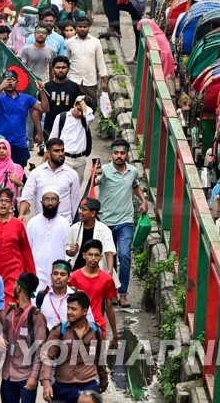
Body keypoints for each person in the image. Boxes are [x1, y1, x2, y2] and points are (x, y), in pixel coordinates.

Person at [95, 141, 147, 307]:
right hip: (106, 222)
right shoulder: (104, 171)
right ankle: (111, 292)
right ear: (111, 154)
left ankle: (122, 293)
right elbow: (95, 181)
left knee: (124, 255)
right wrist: (93, 176)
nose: (119, 156)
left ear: (127, 154)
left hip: (126, 222)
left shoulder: (132, 172)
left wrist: (144, 201)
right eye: (116, 153)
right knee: (109, 258)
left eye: (122, 153)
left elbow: (135, 186)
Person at [40, 291, 108, 403]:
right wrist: (46, 383)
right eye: (68, 308)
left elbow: (101, 358)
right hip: (63, 388)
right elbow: (48, 358)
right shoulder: (59, 331)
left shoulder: (96, 332)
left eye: (73, 309)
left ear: (85, 311)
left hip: (88, 386)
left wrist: (104, 381)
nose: (69, 312)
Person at [1, 272, 47, 403]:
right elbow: (4, 333)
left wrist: (34, 376)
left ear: (19, 287)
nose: (14, 286)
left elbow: (40, 349)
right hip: (7, 375)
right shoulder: (10, 311)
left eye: (15, 283)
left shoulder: (36, 316)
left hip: (26, 376)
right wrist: (1, 338)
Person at [68, 241, 117, 346]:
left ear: (101, 257)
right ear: (84, 255)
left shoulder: (107, 280)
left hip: (98, 325)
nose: (93, 258)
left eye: (96, 255)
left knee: (98, 360)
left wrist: (115, 334)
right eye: (90, 254)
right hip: (77, 325)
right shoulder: (73, 278)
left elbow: (109, 308)